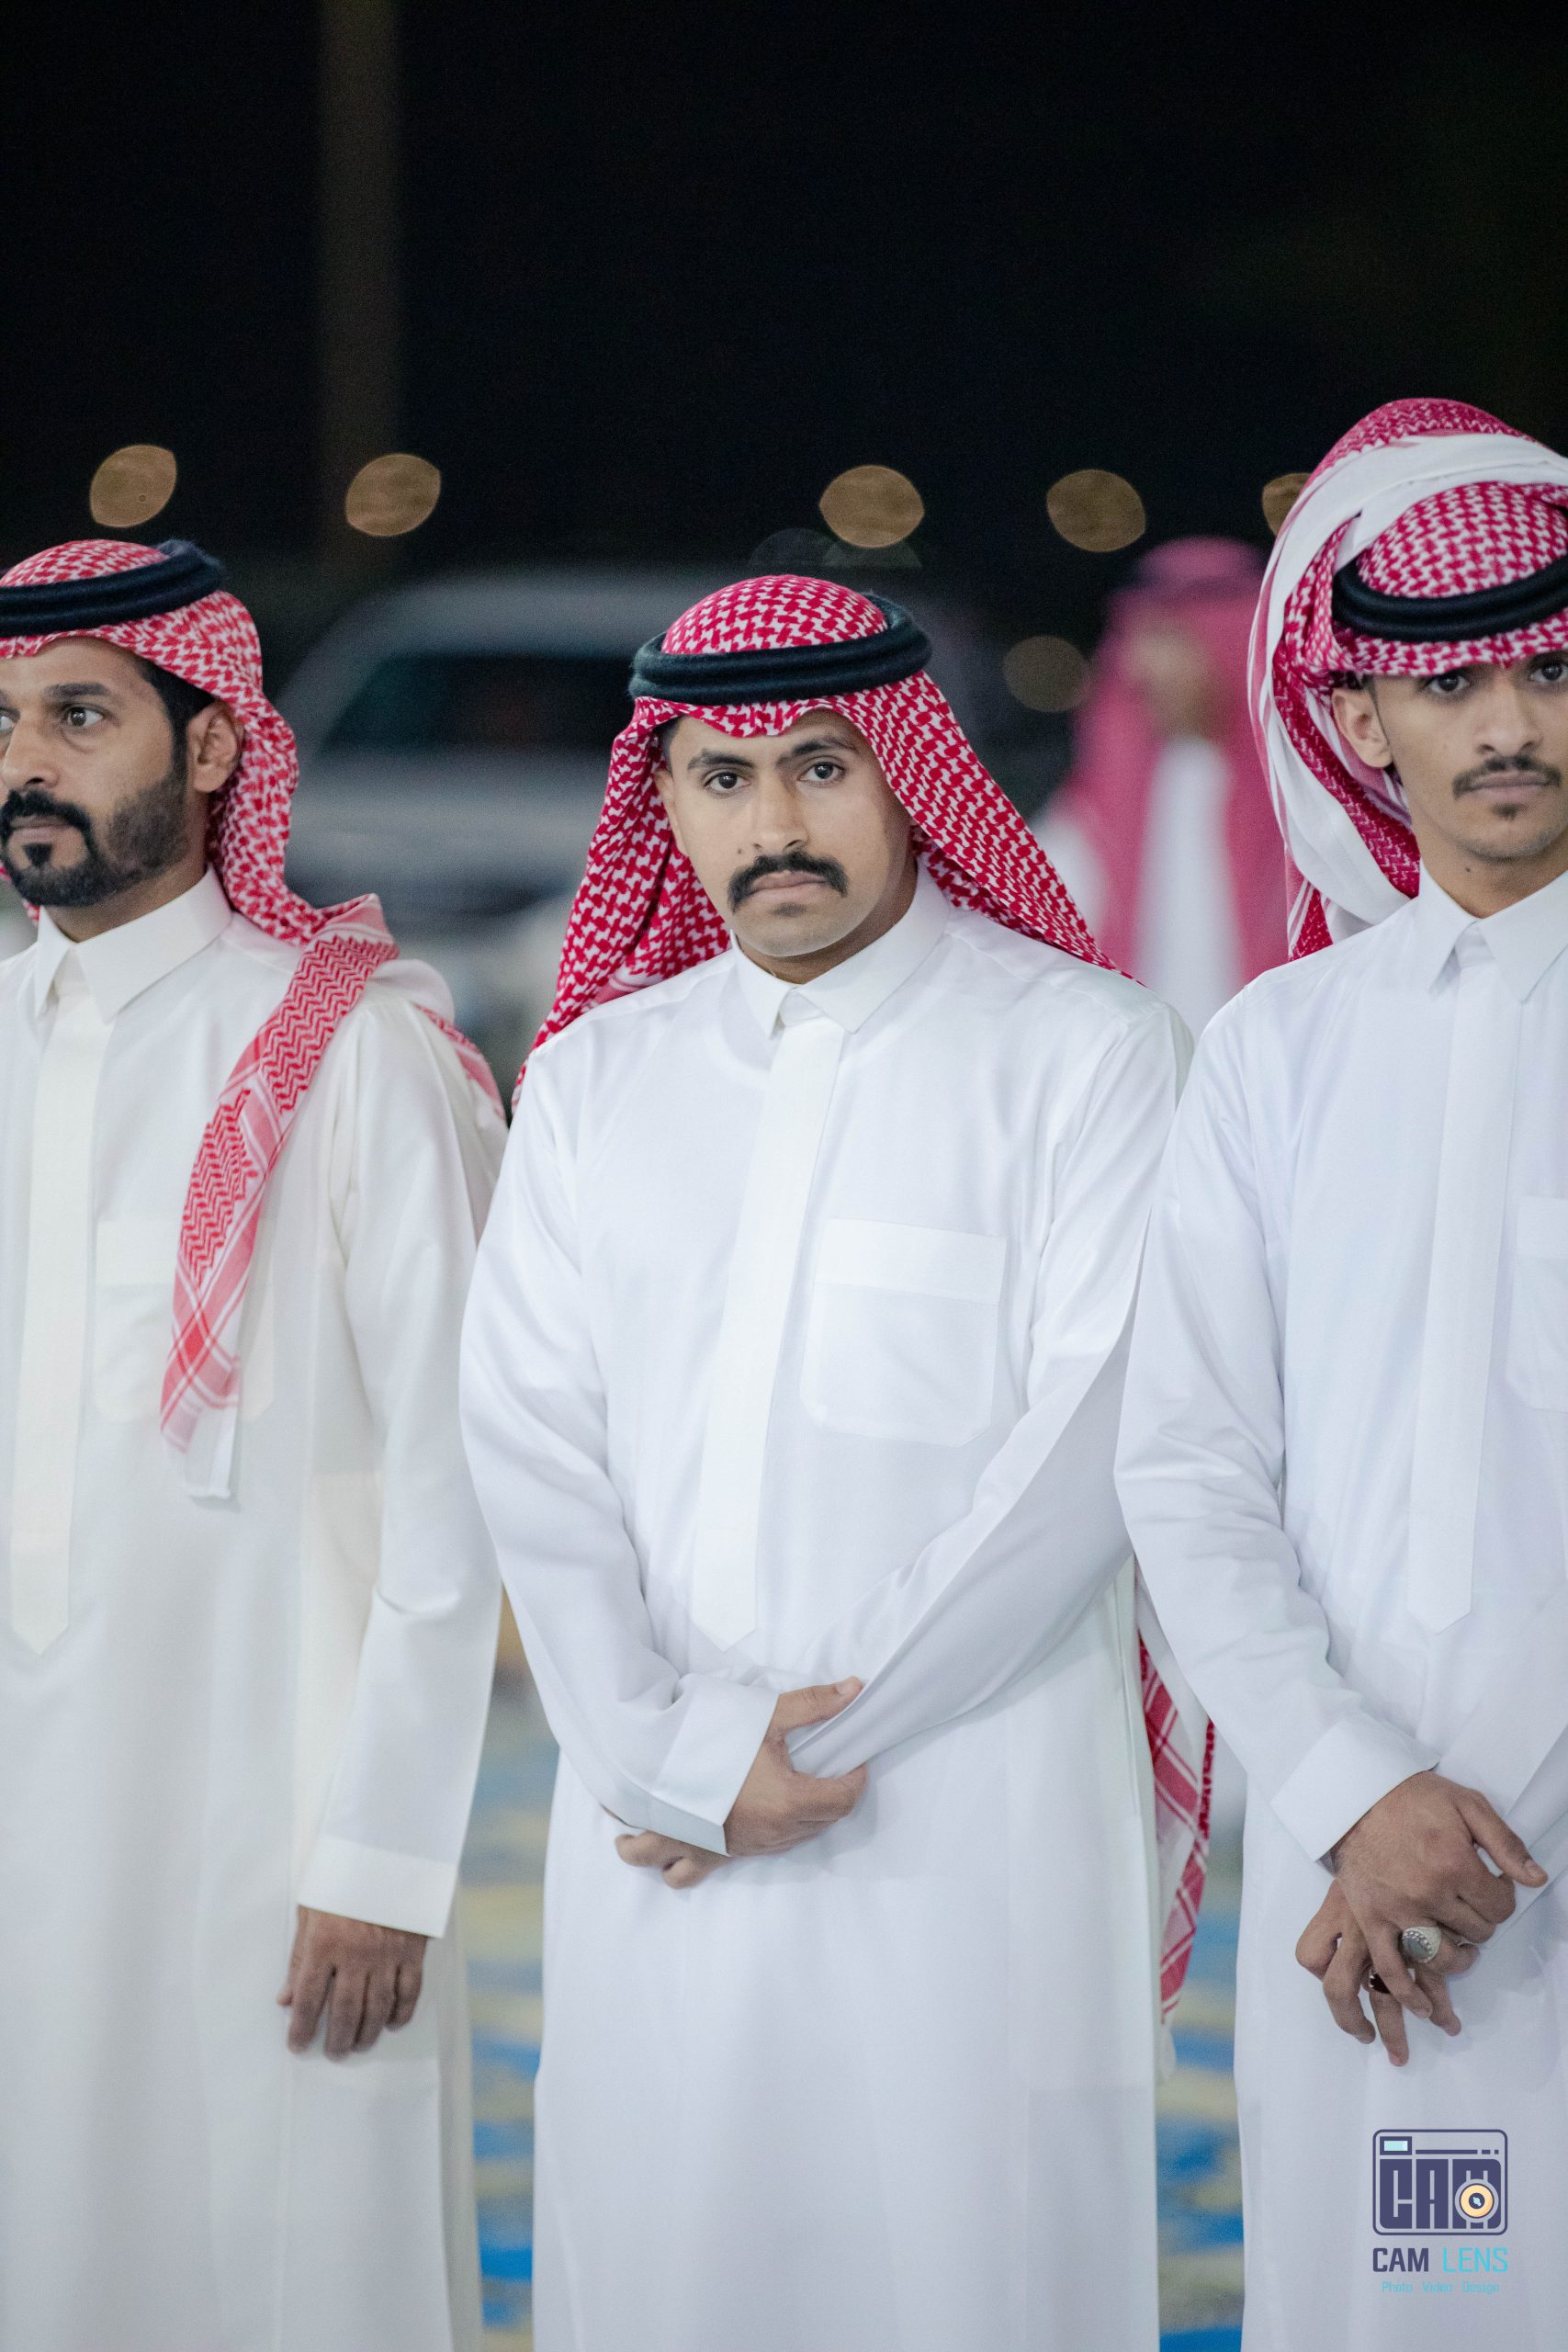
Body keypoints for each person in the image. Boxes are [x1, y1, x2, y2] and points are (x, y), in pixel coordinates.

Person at [459, 574, 1211, 2352]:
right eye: (721, 780)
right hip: (657, 1830)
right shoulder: (597, 1079)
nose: (772, 823)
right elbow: (527, 1443)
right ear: (662, 802)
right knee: (667, 2272)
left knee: (965, 2275)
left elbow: (1084, 1453)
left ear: (907, 773)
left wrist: (789, 1755)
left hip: (966, 1818)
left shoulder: (1082, 1053)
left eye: (819, 767)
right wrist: (666, 1752)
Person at [0, 537, 504, 2352]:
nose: (26, 763)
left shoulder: (354, 1053)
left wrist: (381, 1857)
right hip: (26, 1826)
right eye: (1, 724)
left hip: (270, 1836)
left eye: (78, 715)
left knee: (279, 2261)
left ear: (214, 747)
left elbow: (460, 1491)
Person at [1116, 398, 1568, 2346]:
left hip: (1450, 1872)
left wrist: (1439, 1833)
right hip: (1364, 1885)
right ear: (1357, 718)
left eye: (1548, 670)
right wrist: (1350, 1789)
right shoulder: (1275, 1051)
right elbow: (1188, 1465)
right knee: (1412, 2296)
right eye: (1448, 684)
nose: (1506, 723)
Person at [1036, 537, 1285, 1034]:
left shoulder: (1297, 788)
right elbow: (1041, 899)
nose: (1138, 667)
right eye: (1136, 639)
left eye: (1168, 639)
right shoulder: (1116, 788)